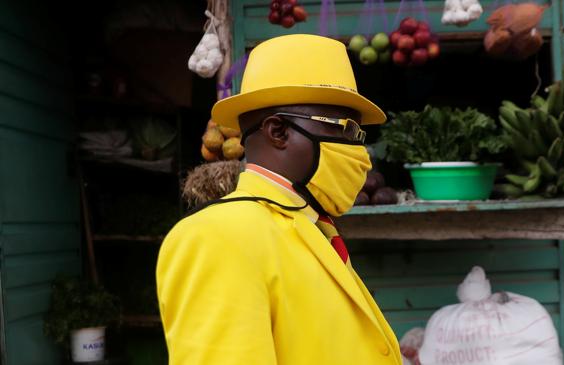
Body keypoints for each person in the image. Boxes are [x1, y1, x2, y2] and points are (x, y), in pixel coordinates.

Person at [156, 34, 402, 365]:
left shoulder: (311, 224)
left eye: (359, 137)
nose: (360, 152)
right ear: (278, 132)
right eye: (346, 130)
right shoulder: (218, 237)